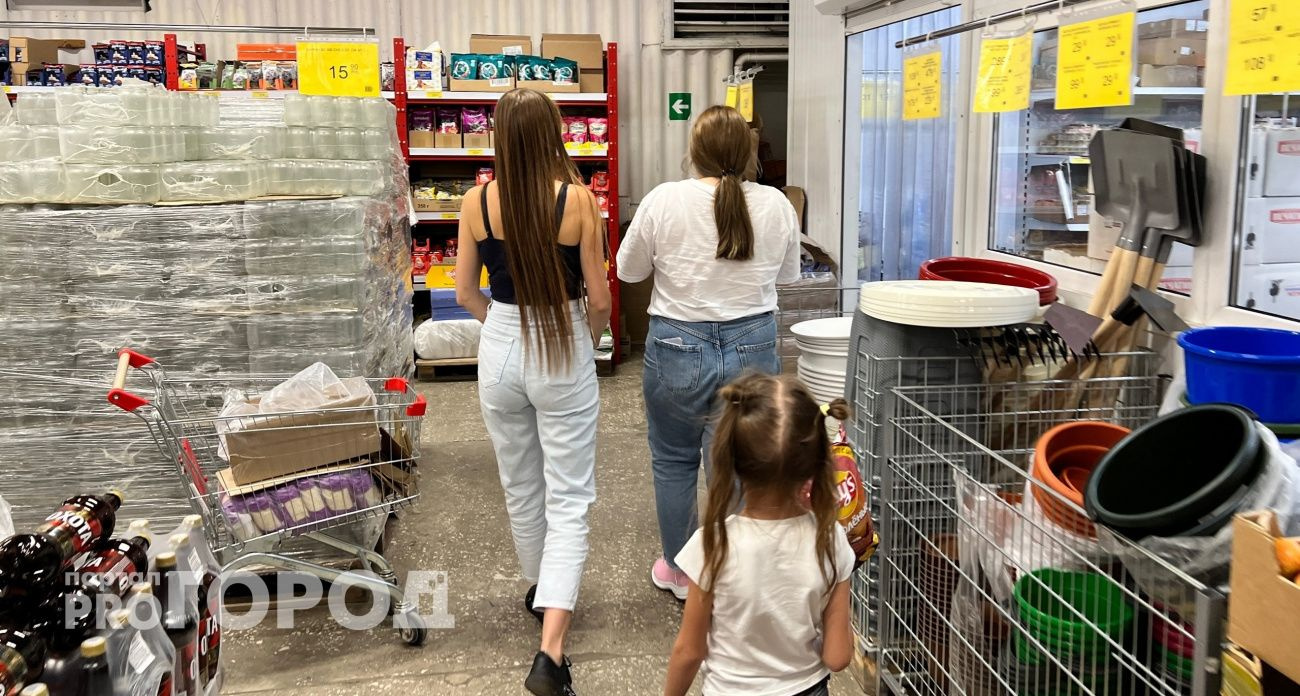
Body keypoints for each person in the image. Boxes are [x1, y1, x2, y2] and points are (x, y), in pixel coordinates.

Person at [454, 87, 612, 696]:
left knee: (520, 482)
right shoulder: (578, 201)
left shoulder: (476, 201)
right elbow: (600, 300)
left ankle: (541, 588)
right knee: (569, 495)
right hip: (562, 343)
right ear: (552, 134)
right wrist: (585, 340)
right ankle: (551, 651)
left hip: (499, 345)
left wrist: (500, 327)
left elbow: (465, 292)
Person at [616, 105, 803, 599]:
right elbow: (788, 277)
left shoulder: (663, 200)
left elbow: (629, 271)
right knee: (740, 462)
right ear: (749, 154)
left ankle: (682, 571)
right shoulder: (777, 205)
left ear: (693, 152)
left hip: (677, 344)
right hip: (753, 344)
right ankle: (733, 572)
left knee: (674, 459)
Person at [663, 373, 855, 696]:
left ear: (732, 461)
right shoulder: (831, 539)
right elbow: (837, 657)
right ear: (815, 463)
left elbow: (689, 651)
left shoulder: (712, 546)